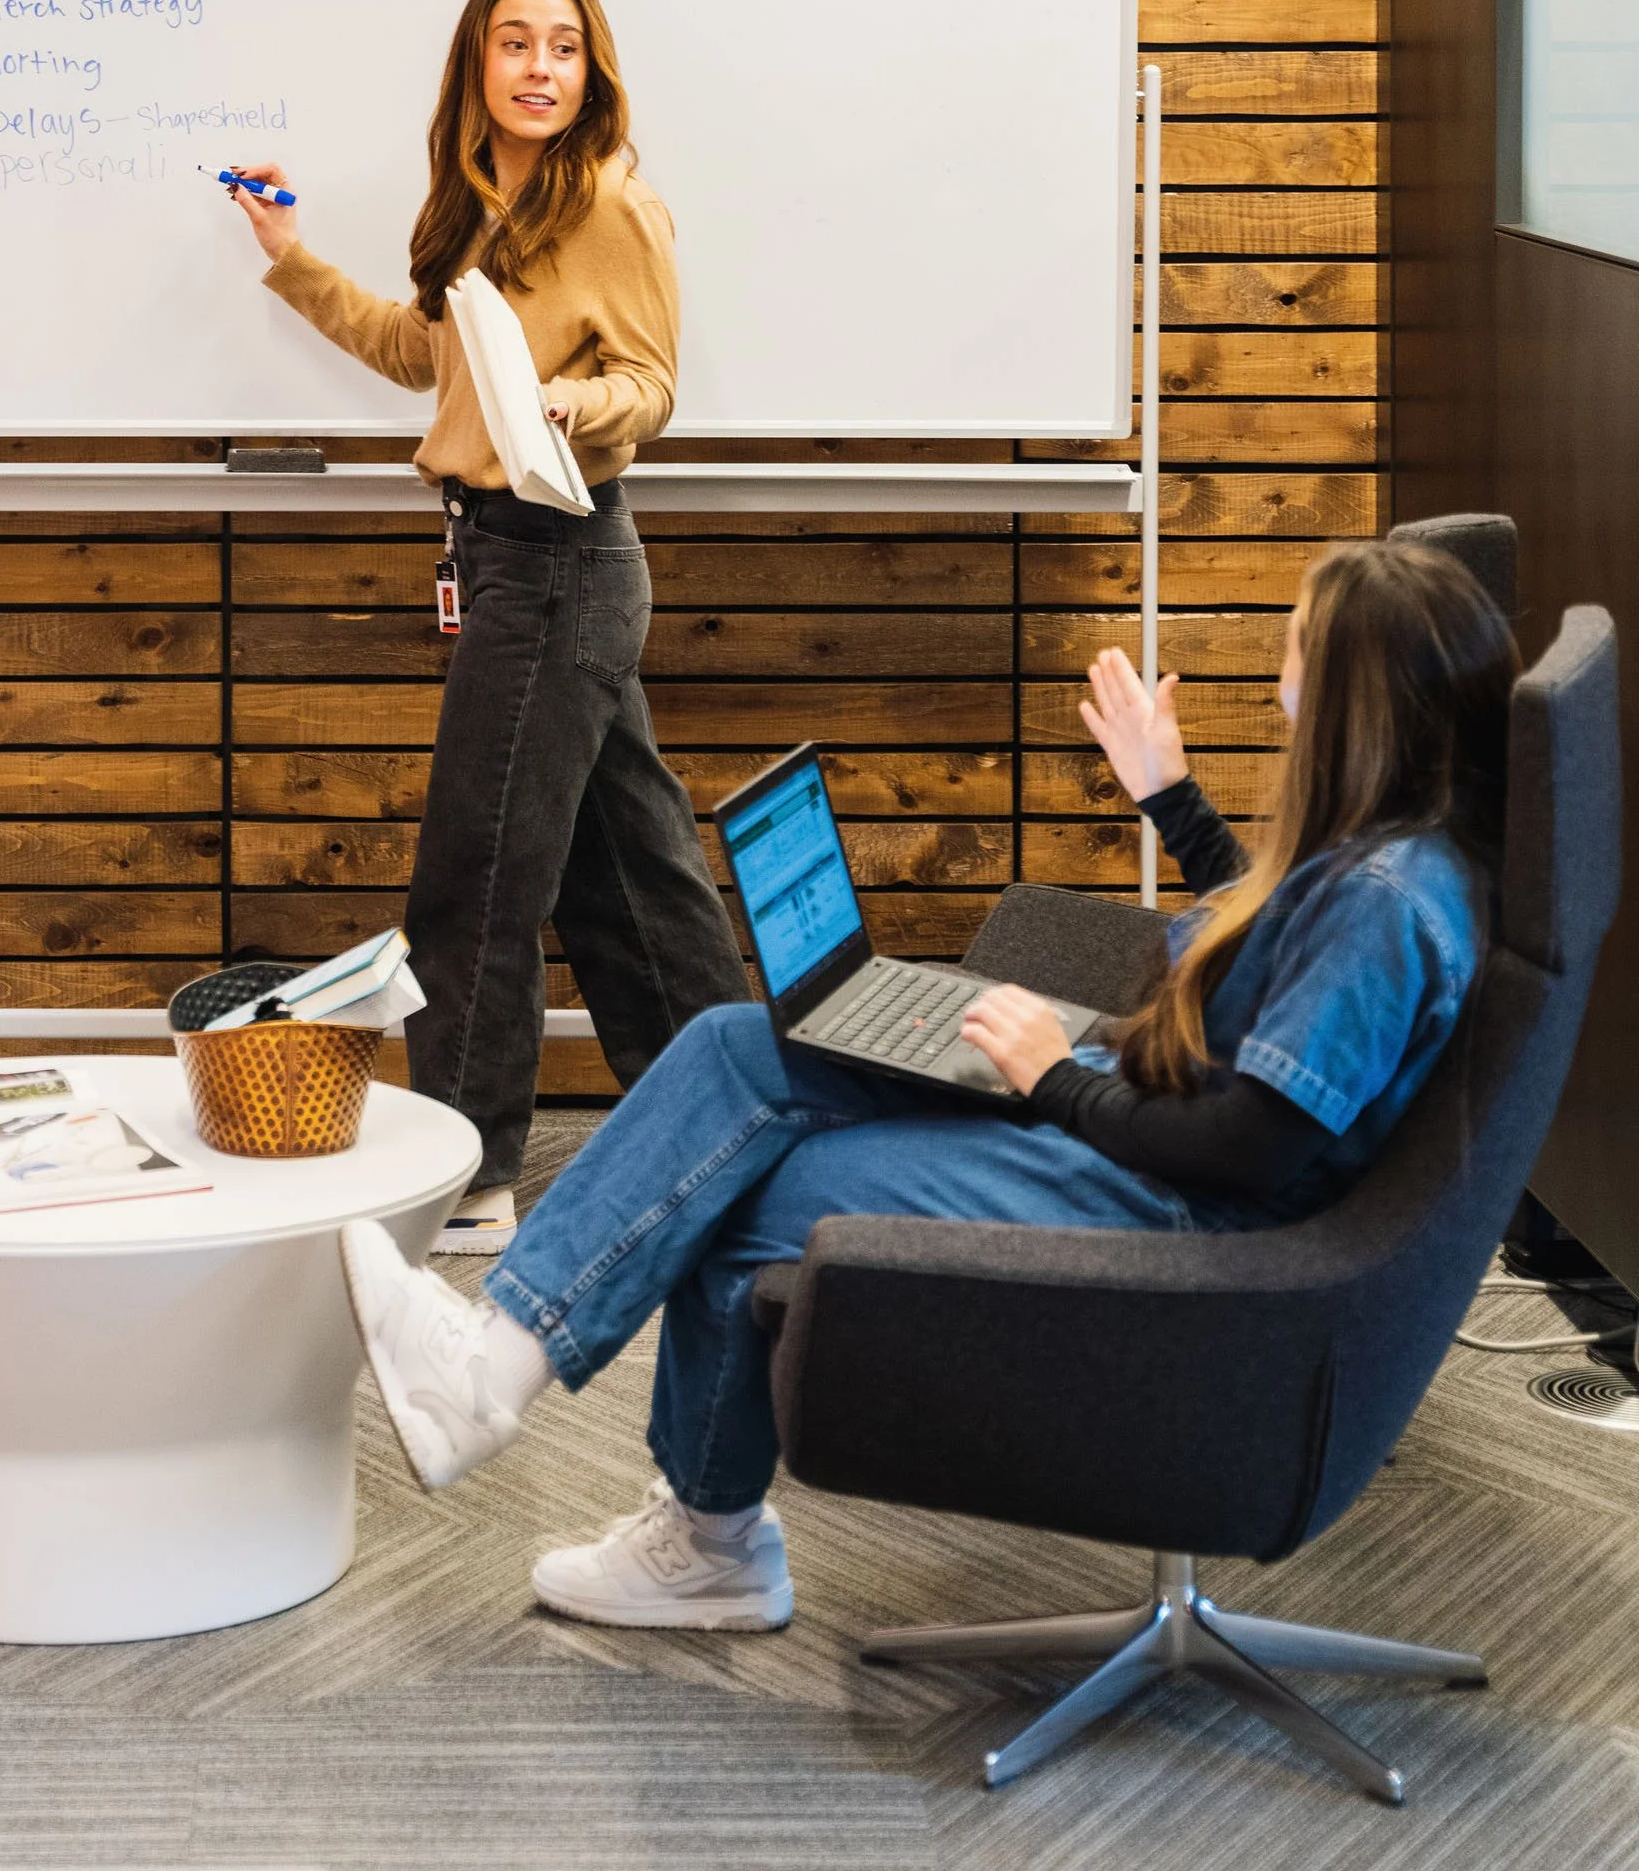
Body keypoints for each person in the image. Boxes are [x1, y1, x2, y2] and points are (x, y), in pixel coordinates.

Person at [335, 538, 1514, 1630]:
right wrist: (1169, 798)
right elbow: (1265, 941)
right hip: (1133, 1110)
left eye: (1295, 651)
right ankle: (500, 1364)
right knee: (738, 1048)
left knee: (751, 1196)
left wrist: (1053, 1082)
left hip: (1178, 1206)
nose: (1276, 680)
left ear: (1356, 698)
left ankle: (704, 1542)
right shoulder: (1387, 843)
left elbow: (1250, 1150)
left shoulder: (1387, 905)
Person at [222, 0, 748, 1250]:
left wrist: (580, 401)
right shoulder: (465, 203)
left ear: (592, 68)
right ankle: (741, 1125)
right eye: (515, 44)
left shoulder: (611, 204)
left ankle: (469, 1176)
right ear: (479, 64)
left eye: (562, 47)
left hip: (563, 553)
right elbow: (424, 360)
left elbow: (652, 382)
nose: (539, 69)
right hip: (501, 555)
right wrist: (292, 259)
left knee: (476, 878)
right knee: (628, 876)